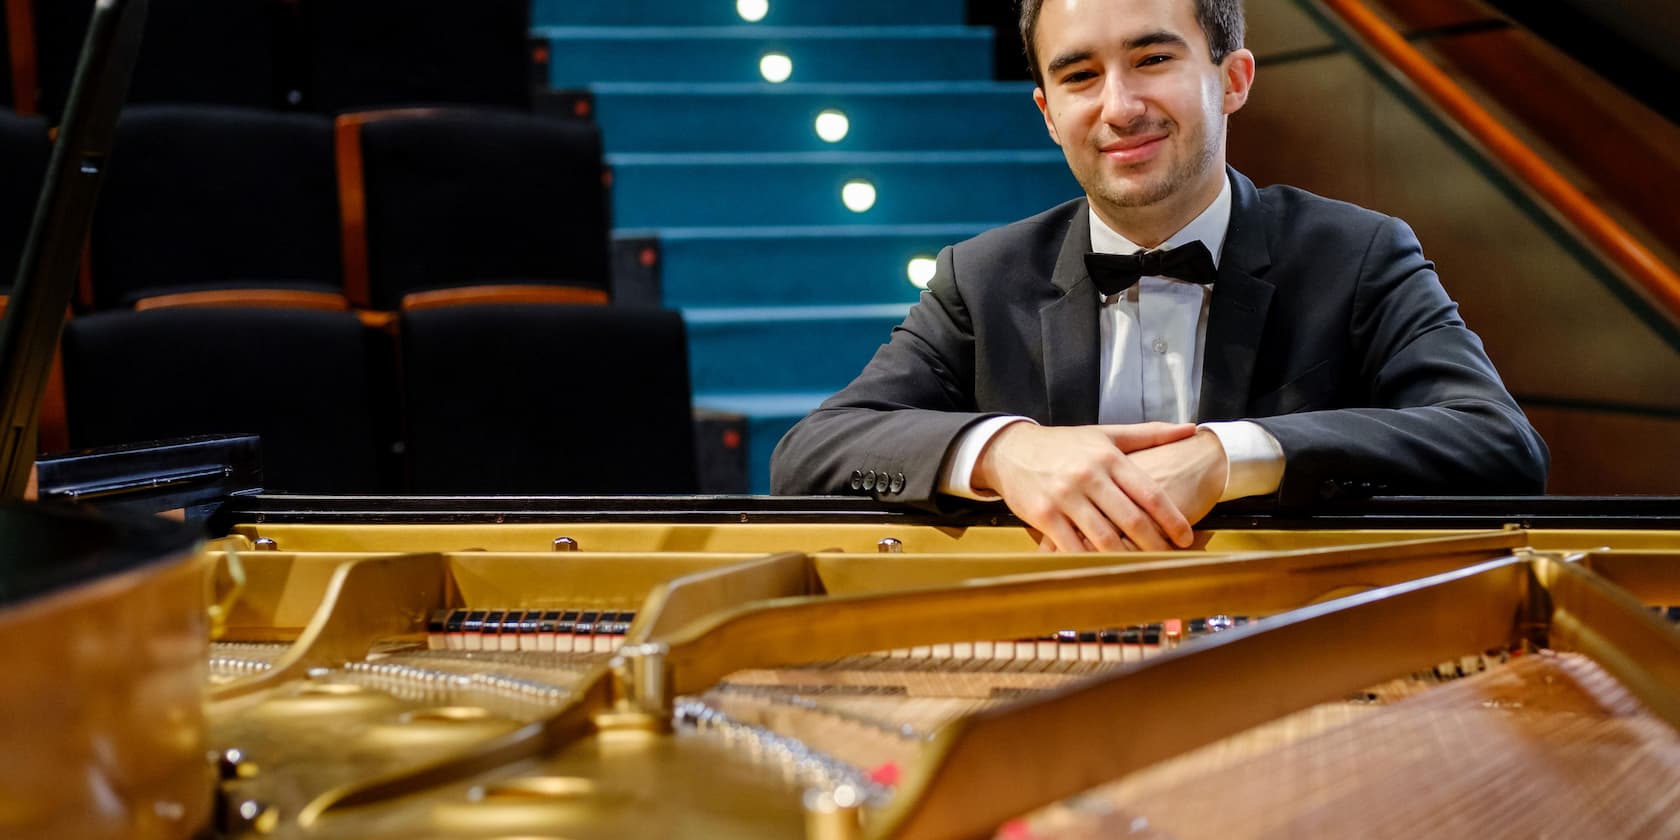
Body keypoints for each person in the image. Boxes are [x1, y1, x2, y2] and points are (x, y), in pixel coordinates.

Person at [770, 0, 1548, 551]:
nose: (1119, 106)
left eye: (1152, 59)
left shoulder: (1359, 253)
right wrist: (1005, 452)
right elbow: (813, 453)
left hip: (1293, 656)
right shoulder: (981, 277)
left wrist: (1228, 456)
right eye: (1079, 76)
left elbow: (1498, 444)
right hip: (1048, 666)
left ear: (1233, 78)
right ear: (1047, 111)